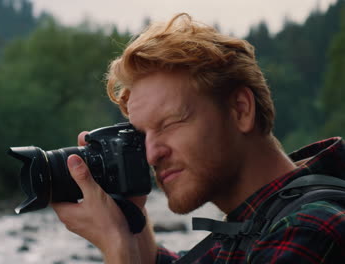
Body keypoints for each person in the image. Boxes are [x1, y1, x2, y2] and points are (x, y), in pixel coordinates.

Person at [51, 13, 345, 263]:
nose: (151, 155)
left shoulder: (312, 230)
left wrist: (117, 247)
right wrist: (133, 231)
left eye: (169, 124)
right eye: (142, 136)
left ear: (240, 110)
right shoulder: (254, 227)